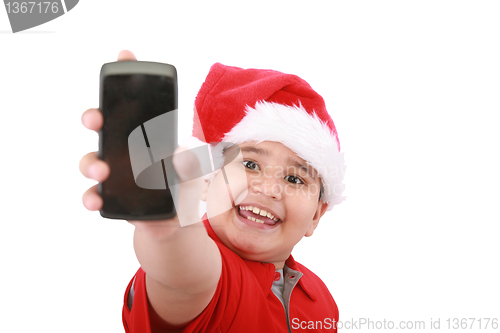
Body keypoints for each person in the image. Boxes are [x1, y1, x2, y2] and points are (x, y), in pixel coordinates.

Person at [80, 50, 346, 332]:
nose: (269, 188)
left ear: (316, 215)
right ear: (208, 180)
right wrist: (167, 227)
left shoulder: (321, 298)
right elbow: (184, 277)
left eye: (295, 180)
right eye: (251, 163)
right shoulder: (214, 279)